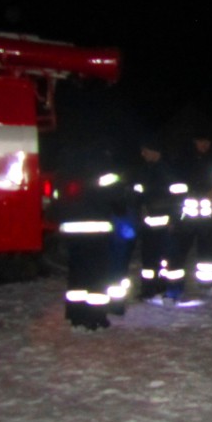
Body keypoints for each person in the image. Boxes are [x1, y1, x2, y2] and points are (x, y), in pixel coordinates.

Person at [56, 141, 136, 329]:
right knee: (97, 276)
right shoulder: (105, 170)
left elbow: (59, 199)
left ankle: (76, 316)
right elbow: (117, 199)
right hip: (96, 230)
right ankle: (95, 317)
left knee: (76, 274)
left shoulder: (67, 169)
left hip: (72, 230)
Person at [166, 127, 212, 301]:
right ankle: (174, 287)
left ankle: (207, 285)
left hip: (210, 215)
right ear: (194, 141)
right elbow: (173, 184)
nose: (204, 144)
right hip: (186, 215)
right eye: (200, 141)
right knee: (178, 252)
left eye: (207, 141)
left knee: (209, 252)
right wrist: (186, 192)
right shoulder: (183, 159)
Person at [132, 135, 184, 301]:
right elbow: (139, 194)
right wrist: (140, 209)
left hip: (165, 222)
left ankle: (172, 291)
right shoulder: (146, 170)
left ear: (154, 152)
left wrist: (174, 220)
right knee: (149, 260)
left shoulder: (167, 170)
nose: (143, 154)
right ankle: (149, 289)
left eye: (145, 151)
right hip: (149, 223)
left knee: (170, 259)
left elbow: (179, 196)